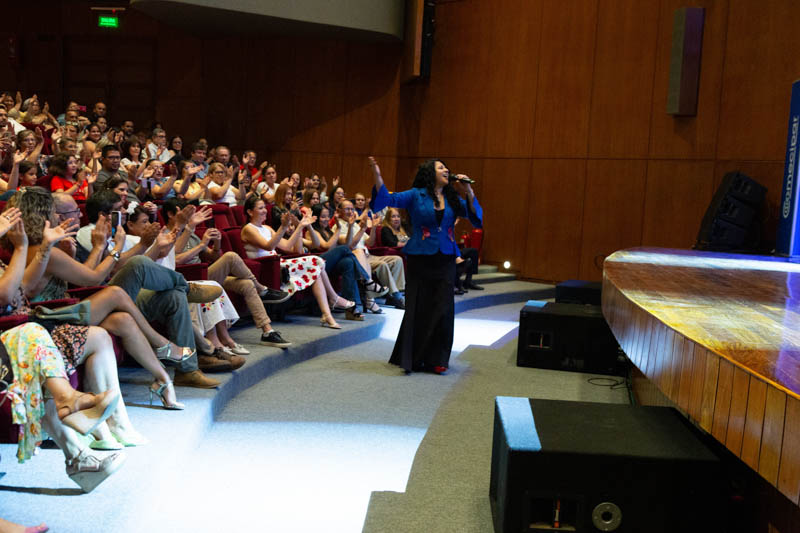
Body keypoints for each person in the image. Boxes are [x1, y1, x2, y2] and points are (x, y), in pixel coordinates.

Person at [369, 156, 482, 374]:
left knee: (444, 307)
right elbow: (387, 200)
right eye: (441, 168)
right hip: (420, 257)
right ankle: (414, 358)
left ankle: (438, 359)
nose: (446, 170)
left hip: (445, 256)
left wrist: (468, 190)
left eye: (447, 167)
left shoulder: (452, 197)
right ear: (431, 173)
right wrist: (377, 175)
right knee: (418, 307)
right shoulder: (415, 195)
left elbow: (475, 217)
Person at [241, 196, 343, 329]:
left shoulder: (267, 228)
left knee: (316, 267)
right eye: (260, 208)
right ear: (249, 212)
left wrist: (300, 226)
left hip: (280, 263)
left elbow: (288, 246)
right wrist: (283, 227)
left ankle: (327, 314)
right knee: (316, 261)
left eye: (265, 208)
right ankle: (333, 299)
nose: (265, 211)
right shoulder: (248, 229)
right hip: (268, 267)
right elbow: (269, 246)